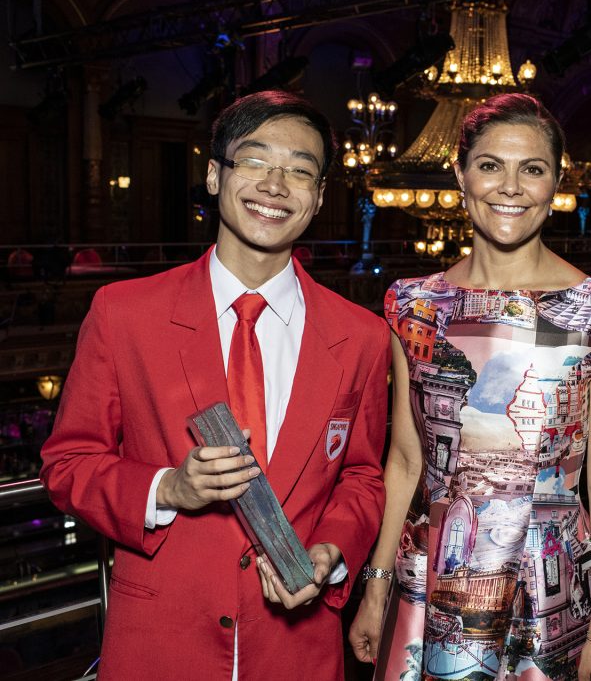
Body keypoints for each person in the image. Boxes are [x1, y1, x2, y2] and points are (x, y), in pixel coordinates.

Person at [40, 91, 389, 679]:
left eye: (301, 171)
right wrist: (167, 488)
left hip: (296, 653)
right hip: (159, 646)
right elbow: (68, 464)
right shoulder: (124, 313)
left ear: (320, 196)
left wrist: (331, 552)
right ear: (213, 174)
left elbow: (361, 475)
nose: (276, 185)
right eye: (254, 161)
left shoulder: (362, 335)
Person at [349, 93, 591, 680]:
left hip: (553, 578)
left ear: (557, 183)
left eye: (532, 169)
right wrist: (377, 583)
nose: (510, 186)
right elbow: (407, 462)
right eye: (490, 165)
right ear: (460, 174)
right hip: (433, 577)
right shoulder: (412, 304)